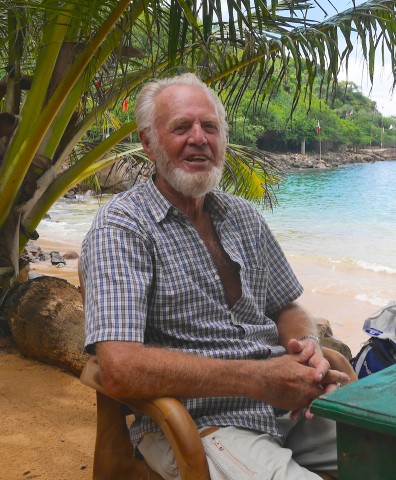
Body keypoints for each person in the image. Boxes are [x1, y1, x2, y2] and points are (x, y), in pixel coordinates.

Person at [81, 72, 351, 480]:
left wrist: (309, 347)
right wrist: (258, 379)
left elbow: (286, 306)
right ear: (148, 144)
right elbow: (119, 367)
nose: (199, 138)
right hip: (198, 424)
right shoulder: (122, 228)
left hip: (287, 406)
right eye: (180, 127)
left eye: (210, 126)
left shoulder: (243, 216)